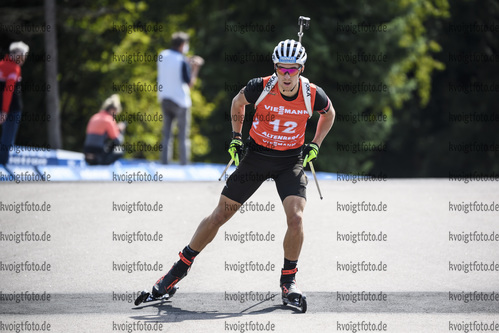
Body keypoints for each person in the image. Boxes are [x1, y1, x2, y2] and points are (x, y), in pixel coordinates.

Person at [150, 39, 335, 305]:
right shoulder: (260, 86)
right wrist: (236, 137)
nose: (285, 75)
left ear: (301, 69)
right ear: (275, 66)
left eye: (291, 69)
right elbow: (238, 104)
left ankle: (288, 282)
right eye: (281, 69)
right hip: (256, 158)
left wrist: (315, 145)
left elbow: (329, 115)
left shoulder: (313, 94)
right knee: (219, 216)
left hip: (289, 162)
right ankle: (176, 271)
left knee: (296, 219)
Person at [157, 31, 204, 165]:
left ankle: (164, 162)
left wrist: (186, 61)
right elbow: (189, 83)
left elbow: (170, 68)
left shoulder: (162, 55)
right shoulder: (181, 60)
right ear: (183, 44)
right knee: (183, 135)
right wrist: (195, 67)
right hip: (180, 101)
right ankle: (184, 163)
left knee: (166, 134)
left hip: (164, 97)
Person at [0, 41, 29, 165]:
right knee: (7, 139)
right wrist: (5, 111)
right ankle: (2, 165)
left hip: (5, 108)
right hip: (11, 109)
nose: (24, 58)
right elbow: (9, 90)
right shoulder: (14, 68)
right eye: (22, 55)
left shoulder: (1, 64)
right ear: (15, 54)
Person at [83, 94, 126, 165]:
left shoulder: (94, 117)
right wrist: (120, 130)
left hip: (87, 155)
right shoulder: (109, 120)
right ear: (112, 110)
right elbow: (118, 141)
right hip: (98, 156)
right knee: (120, 150)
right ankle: (104, 167)